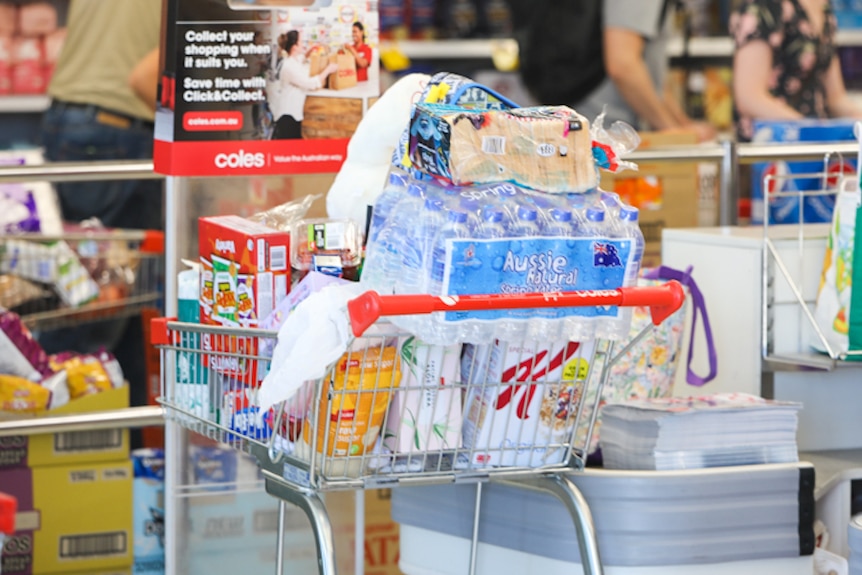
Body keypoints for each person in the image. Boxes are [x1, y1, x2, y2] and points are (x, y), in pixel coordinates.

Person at [39, 0, 163, 422]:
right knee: (98, 306)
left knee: (100, 296)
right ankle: (59, 448)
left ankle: (114, 460)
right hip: (122, 123)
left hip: (70, 118)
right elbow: (146, 76)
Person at [576, 0, 716, 142]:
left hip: (610, 130)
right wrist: (673, 132)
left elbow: (653, 81)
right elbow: (623, 65)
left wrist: (684, 126)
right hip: (603, 133)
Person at [731, 0, 862, 141]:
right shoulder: (763, 6)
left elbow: (835, 98)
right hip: (772, 149)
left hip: (814, 149)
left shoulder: (823, 7)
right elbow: (749, 98)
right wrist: (811, 130)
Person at [270, 30, 337, 140]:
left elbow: (300, 60)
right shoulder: (289, 67)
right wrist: (328, 70)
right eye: (301, 42)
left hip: (294, 115)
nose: (303, 44)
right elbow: (309, 84)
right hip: (287, 117)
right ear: (294, 46)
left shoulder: (293, 60)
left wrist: (309, 52)